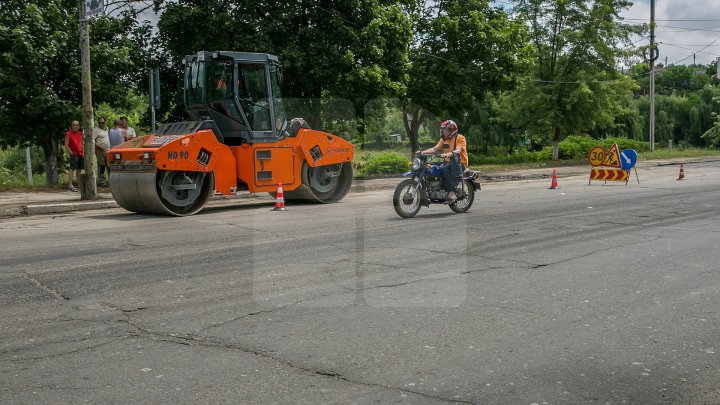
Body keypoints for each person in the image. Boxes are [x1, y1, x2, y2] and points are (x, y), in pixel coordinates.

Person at [419, 119, 468, 203]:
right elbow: (435, 149)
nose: (443, 132)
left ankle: (452, 192)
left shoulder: (460, 138)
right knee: (429, 166)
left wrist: (450, 153)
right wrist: (422, 152)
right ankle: (433, 189)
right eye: (443, 130)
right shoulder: (444, 140)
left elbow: (459, 150)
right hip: (447, 162)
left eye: (445, 130)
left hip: (459, 163)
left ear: (452, 130)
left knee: (445, 169)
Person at [64, 120, 84, 192]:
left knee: (79, 169)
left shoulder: (80, 134)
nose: (75, 126)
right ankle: (70, 185)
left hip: (81, 153)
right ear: (71, 126)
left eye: (76, 125)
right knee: (72, 168)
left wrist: (83, 152)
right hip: (74, 154)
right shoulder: (68, 134)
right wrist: (71, 152)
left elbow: (82, 143)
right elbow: (66, 144)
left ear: (79, 126)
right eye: (73, 125)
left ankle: (79, 184)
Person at [93, 116, 110, 187]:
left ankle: (110, 180)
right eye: (99, 122)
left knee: (109, 165)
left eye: (102, 122)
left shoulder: (106, 129)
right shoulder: (95, 130)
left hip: (108, 150)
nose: (101, 124)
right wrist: (98, 147)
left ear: (105, 122)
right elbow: (92, 140)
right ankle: (102, 181)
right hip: (100, 151)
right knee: (101, 166)